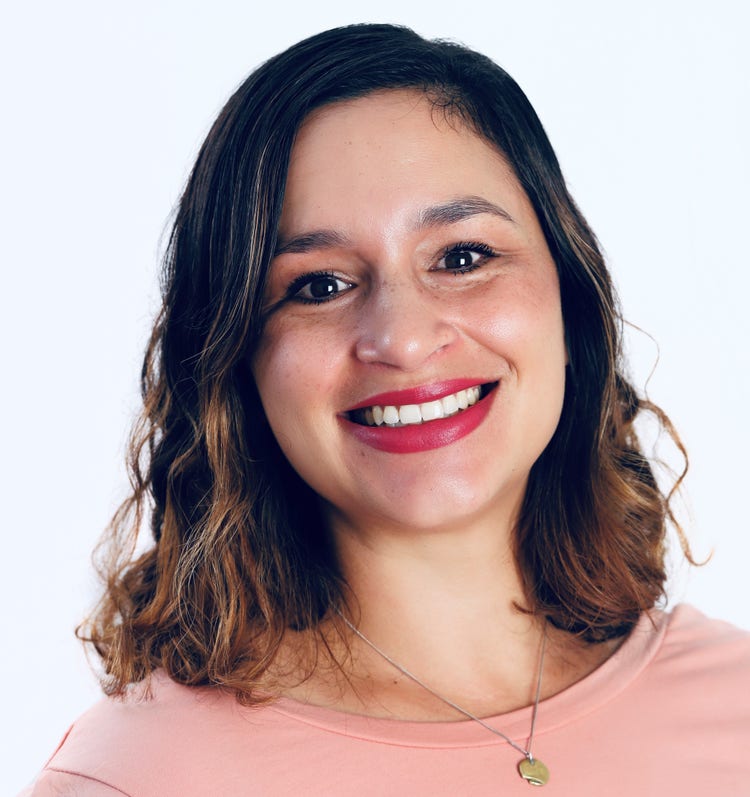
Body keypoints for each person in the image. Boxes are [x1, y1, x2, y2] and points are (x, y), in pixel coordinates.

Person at [22, 23, 750, 796]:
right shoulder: (134, 778)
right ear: (237, 366)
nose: (402, 338)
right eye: (320, 286)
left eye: (462, 257)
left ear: (571, 304)